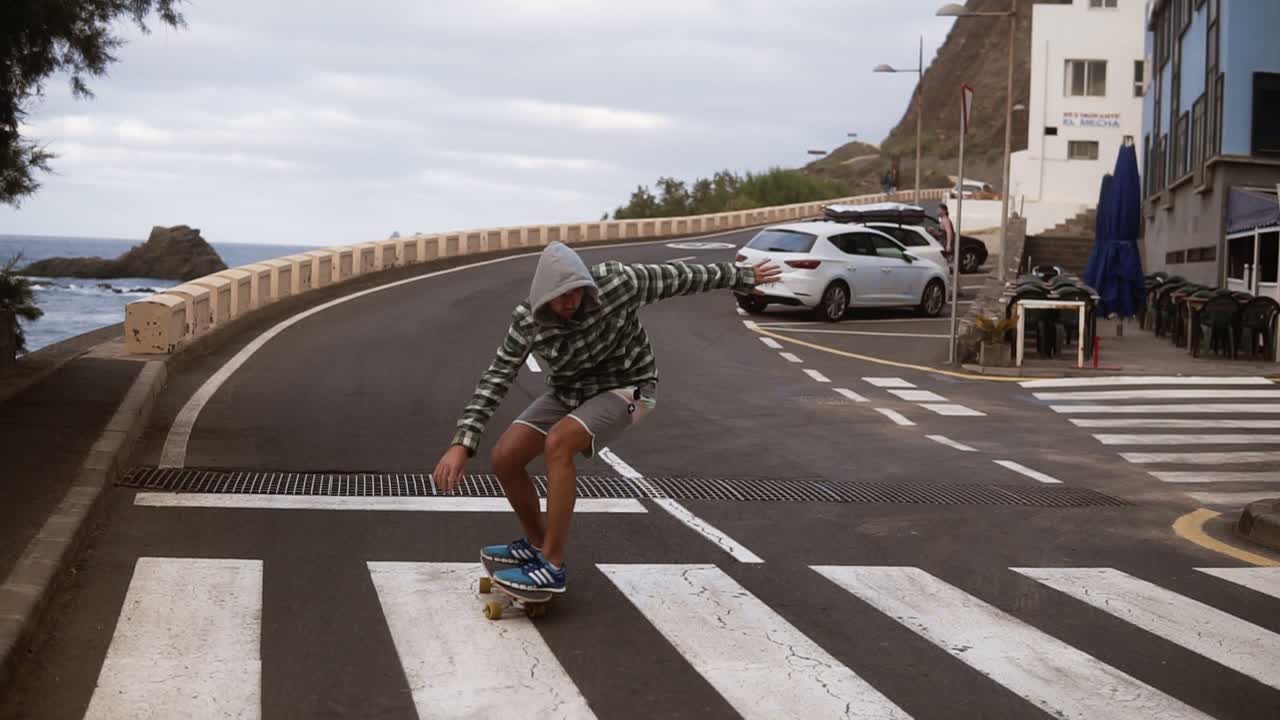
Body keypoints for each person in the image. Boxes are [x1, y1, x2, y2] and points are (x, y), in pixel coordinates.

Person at [432, 242, 780, 594]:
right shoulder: (528, 321)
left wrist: (741, 276)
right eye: (560, 296)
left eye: (575, 293)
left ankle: (551, 565)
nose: (570, 302)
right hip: (571, 391)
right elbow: (497, 376)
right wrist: (462, 442)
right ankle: (537, 545)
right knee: (505, 457)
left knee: (559, 443)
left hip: (631, 387)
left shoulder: (618, 283)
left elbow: (681, 276)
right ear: (543, 296)